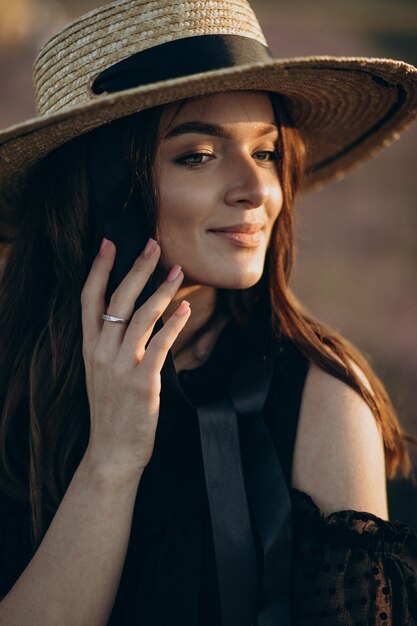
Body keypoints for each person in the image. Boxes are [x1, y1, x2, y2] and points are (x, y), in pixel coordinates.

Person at [0, 0, 416, 624]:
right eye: (197, 155)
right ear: (107, 192)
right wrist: (111, 459)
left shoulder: (319, 400)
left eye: (268, 152)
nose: (256, 189)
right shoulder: (13, 379)